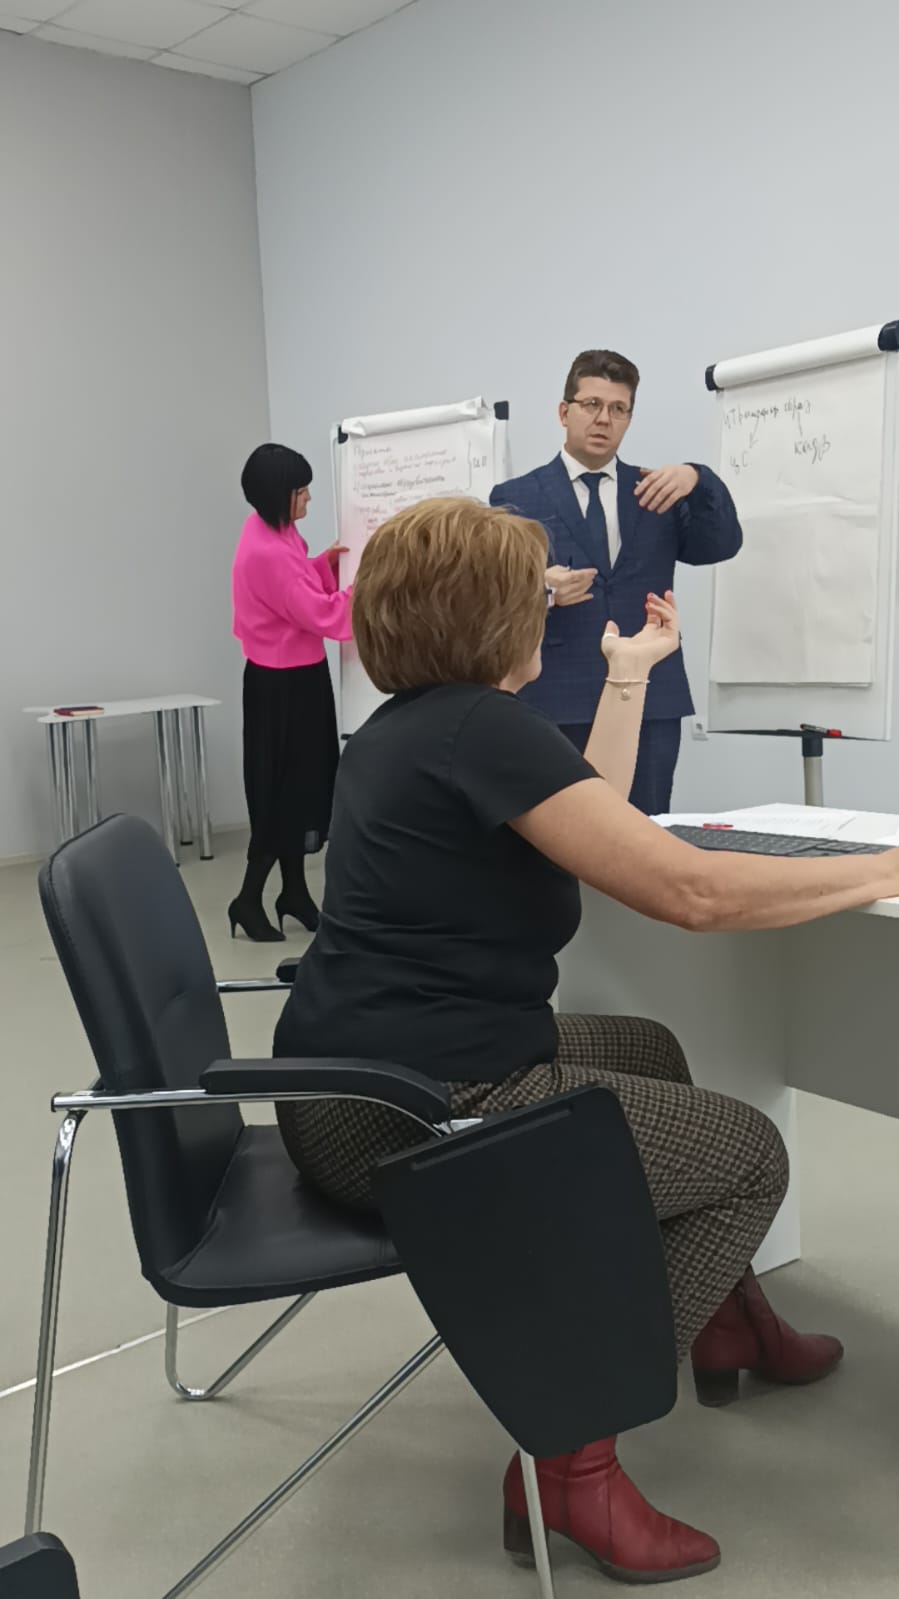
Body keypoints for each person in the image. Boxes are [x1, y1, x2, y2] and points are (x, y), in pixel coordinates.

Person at [271, 497, 899, 1584]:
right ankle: (567, 1464)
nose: (550, 608)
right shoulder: (476, 728)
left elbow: (587, 809)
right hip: (413, 1108)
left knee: (645, 1049)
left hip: (349, 1079)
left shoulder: (412, 726)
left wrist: (627, 673)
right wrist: (884, 868)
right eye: (536, 594)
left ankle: (728, 1321)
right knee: (748, 1154)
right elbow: (693, 893)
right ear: (485, 612)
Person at [490, 348, 743, 815]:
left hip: (651, 696)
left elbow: (720, 546)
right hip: (555, 696)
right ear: (564, 412)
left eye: (618, 408)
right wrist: (539, 589)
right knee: (559, 833)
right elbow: (489, 595)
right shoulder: (516, 496)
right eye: (591, 404)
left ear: (629, 418)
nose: (603, 418)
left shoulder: (656, 489)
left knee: (646, 829)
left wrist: (699, 478)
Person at [229, 443, 352, 943]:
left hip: (297, 676)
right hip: (281, 687)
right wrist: (368, 586)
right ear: (279, 494)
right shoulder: (268, 552)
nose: (308, 500)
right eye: (301, 492)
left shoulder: (269, 528)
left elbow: (298, 589)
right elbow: (325, 615)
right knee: (279, 793)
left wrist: (325, 564)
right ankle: (248, 899)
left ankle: (294, 894)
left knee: (301, 788)